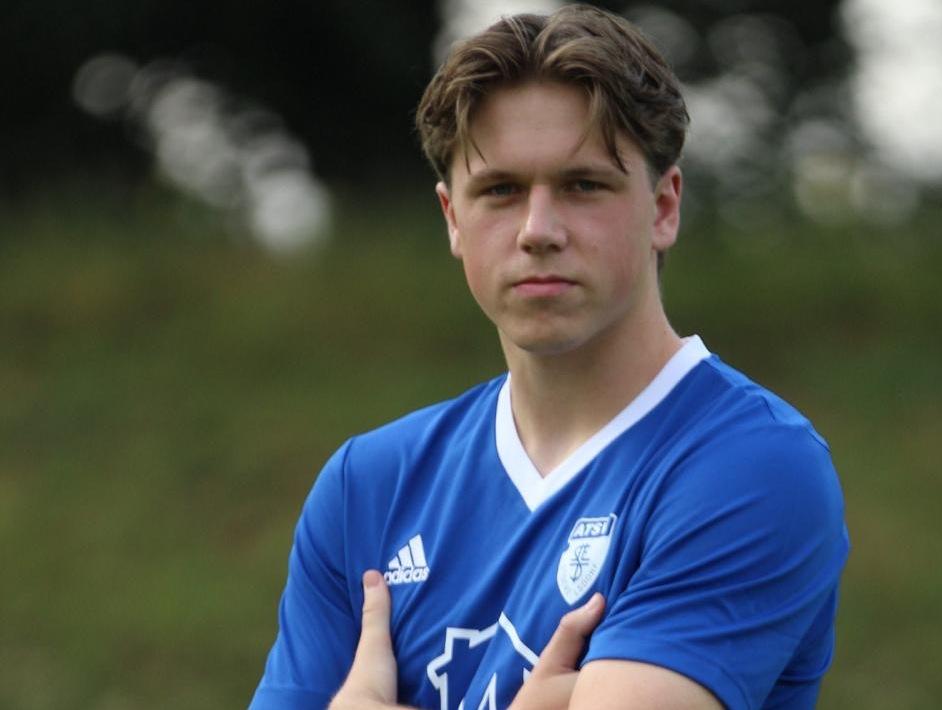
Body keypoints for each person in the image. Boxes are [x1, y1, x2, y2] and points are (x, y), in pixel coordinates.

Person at [249, 5, 849, 709]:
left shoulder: (750, 467)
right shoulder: (368, 489)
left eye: (582, 186)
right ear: (453, 219)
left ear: (663, 207)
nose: (538, 230)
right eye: (500, 190)